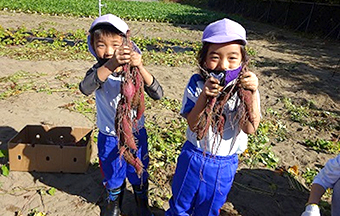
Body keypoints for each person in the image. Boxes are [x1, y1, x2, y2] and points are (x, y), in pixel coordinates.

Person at [166, 18, 261, 216]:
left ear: (243, 61)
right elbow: (194, 125)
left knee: (210, 208)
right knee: (180, 204)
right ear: (203, 60)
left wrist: (252, 94)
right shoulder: (197, 83)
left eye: (232, 58)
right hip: (194, 155)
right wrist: (204, 96)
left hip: (224, 164)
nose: (223, 65)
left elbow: (250, 128)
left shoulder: (245, 88)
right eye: (215, 57)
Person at [79, 14, 163, 216]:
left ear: (126, 45)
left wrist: (140, 67)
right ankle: (113, 206)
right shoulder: (98, 71)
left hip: (135, 134)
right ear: (92, 45)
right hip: (110, 136)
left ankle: (142, 204)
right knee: (112, 173)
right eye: (101, 45)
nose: (108, 51)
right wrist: (110, 65)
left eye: (115, 45)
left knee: (138, 170)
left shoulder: (135, 71)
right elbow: (85, 88)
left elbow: (158, 94)